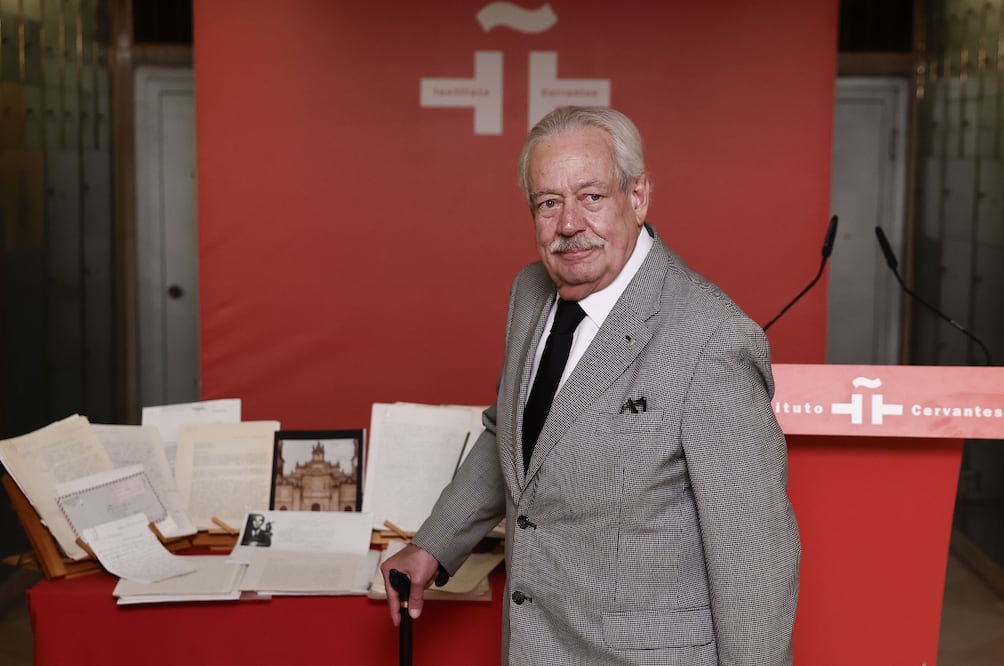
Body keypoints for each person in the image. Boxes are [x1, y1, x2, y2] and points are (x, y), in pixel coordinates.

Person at [381, 106, 800, 665]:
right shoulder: (530, 293)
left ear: (639, 196)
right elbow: (511, 432)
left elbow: (755, 564)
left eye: (591, 197)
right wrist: (435, 542)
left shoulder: (712, 338)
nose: (569, 223)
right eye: (548, 203)